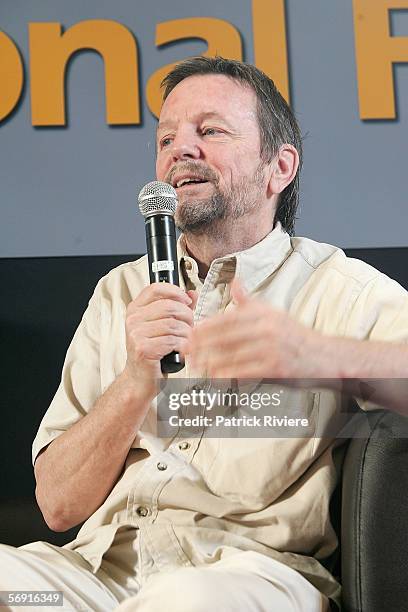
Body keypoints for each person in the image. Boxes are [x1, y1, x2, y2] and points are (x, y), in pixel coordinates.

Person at [1, 56, 407, 612]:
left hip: (246, 577)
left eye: (210, 130)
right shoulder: (120, 292)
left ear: (280, 167)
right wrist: (136, 379)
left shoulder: (343, 291)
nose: (179, 150)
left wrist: (314, 352)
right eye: (166, 137)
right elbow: (58, 505)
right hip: (93, 581)